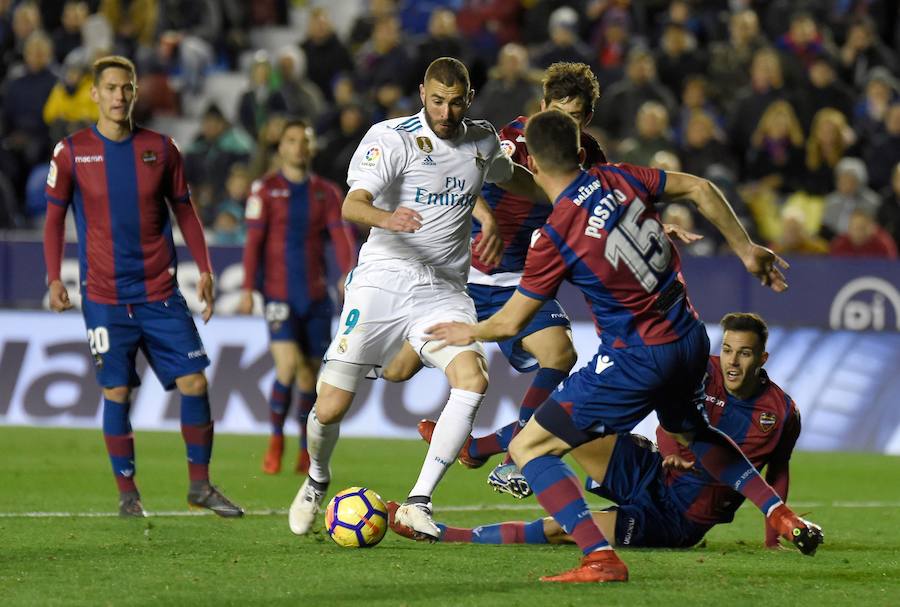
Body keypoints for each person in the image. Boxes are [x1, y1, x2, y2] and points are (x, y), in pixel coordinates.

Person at [427, 109, 822, 583]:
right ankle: (779, 513)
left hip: (637, 356)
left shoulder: (555, 235)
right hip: (690, 338)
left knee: (532, 447)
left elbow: (512, 320)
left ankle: (600, 558)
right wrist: (745, 249)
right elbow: (700, 188)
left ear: (531, 164)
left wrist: (467, 331)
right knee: (692, 431)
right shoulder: (619, 177)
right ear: (580, 152)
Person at [287, 57, 541, 540]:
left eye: (456, 102)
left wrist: (563, 193)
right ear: (423, 93)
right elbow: (352, 205)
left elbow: (506, 177)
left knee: (473, 378)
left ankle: (418, 502)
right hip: (382, 279)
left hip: (443, 289)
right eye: (437, 101)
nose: (445, 112)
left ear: (469, 99)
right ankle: (317, 478)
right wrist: (388, 219)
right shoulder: (391, 137)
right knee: (331, 407)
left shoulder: (482, 139)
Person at [394, 314, 807, 553]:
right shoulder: (704, 367)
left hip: (677, 518)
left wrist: (773, 540)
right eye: (728, 350)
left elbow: (779, 470)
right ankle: (476, 448)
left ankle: (448, 534)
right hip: (652, 472)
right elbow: (669, 412)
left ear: (762, 358)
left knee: (563, 528)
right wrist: (669, 448)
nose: (732, 362)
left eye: (744, 353)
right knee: (574, 419)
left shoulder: (781, 412)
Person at [382, 62, 607, 499]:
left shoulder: (590, 155)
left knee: (560, 354)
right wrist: (487, 219)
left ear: (588, 119)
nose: (565, 126)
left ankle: (513, 460)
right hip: (465, 274)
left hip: (521, 280)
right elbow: (463, 176)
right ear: (542, 107)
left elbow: (605, 203)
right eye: (557, 114)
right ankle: (475, 448)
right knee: (396, 370)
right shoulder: (512, 139)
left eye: (575, 118)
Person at [42, 55, 243, 518]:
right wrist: (53, 277)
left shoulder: (161, 148)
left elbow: (185, 209)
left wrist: (205, 267)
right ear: (94, 93)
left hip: (160, 293)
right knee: (117, 392)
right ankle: (128, 494)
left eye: (127, 87)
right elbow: (54, 219)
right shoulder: (71, 152)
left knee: (195, 382)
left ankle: (200, 486)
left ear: (135, 92)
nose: (119, 96)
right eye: (111, 88)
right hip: (105, 298)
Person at [238, 120, 357, 475]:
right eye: (291, 140)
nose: (298, 147)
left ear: (311, 147)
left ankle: (304, 448)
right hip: (278, 295)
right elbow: (253, 243)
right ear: (281, 148)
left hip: (315, 296)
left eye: (304, 141)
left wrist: (348, 273)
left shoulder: (327, 193)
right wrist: (247, 288)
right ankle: (276, 439)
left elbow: (341, 237)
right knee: (287, 366)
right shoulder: (265, 190)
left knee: (308, 377)